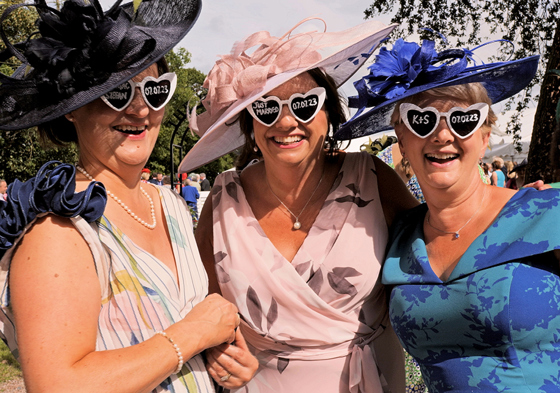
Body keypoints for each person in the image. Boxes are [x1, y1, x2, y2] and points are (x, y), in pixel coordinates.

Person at [0, 0, 257, 391]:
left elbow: (183, 327)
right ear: (72, 108)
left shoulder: (168, 205)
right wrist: (194, 335)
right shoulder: (60, 231)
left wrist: (223, 358)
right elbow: (57, 384)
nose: (140, 109)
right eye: (118, 92)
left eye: (154, 90)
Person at [180, 18, 414, 392]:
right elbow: (201, 311)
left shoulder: (373, 178)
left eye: (305, 104)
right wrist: (216, 352)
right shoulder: (223, 202)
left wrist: (513, 210)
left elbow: (441, 245)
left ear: (329, 114)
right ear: (250, 124)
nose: (287, 121)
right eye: (267, 108)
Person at [338, 36, 558, 392]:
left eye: (463, 119)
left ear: (485, 135)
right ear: (402, 138)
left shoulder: (547, 214)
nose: (443, 135)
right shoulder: (397, 236)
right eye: (422, 121)